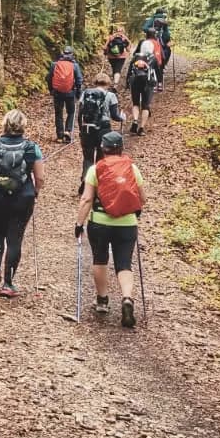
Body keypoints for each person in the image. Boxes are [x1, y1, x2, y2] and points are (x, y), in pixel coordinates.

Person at [74, 130, 145, 328]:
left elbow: (87, 198)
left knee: (100, 258)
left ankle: (103, 300)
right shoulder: (132, 168)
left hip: (100, 222)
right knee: (124, 263)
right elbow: (142, 198)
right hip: (127, 223)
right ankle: (127, 298)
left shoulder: (95, 169)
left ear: (103, 149)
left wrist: (79, 223)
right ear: (121, 148)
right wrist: (135, 212)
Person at [0, 108, 45, 299]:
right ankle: (9, 283)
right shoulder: (32, 147)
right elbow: (40, 176)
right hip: (24, 196)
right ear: (23, 126)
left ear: (5, 124)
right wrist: (35, 191)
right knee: (15, 238)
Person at [76, 74, 124, 194]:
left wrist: (81, 129)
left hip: (87, 128)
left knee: (87, 158)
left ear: (95, 82)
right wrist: (122, 117)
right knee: (100, 158)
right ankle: (96, 184)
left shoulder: (86, 93)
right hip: (104, 130)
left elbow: (80, 113)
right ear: (107, 83)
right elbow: (115, 116)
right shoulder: (111, 95)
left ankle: (85, 179)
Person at [46, 46, 82, 144]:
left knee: (58, 114)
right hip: (70, 93)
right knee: (71, 112)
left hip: (57, 93)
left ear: (62, 54)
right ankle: (68, 131)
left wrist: (51, 90)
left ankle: (60, 136)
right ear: (72, 54)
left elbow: (49, 78)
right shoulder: (75, 65)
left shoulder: (55, 64)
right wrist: (78, 93)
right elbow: (79, 80)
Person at [126, 40, 156, 134]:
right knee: (145, 105)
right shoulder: (153, 58)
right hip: (147, 83)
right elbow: (158, 73)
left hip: (135, 81)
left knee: (135, 103)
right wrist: (156, 83)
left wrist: (127, 82)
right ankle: (142, 128)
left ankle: (135, 121)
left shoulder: (136, 57)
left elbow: (129, 70)